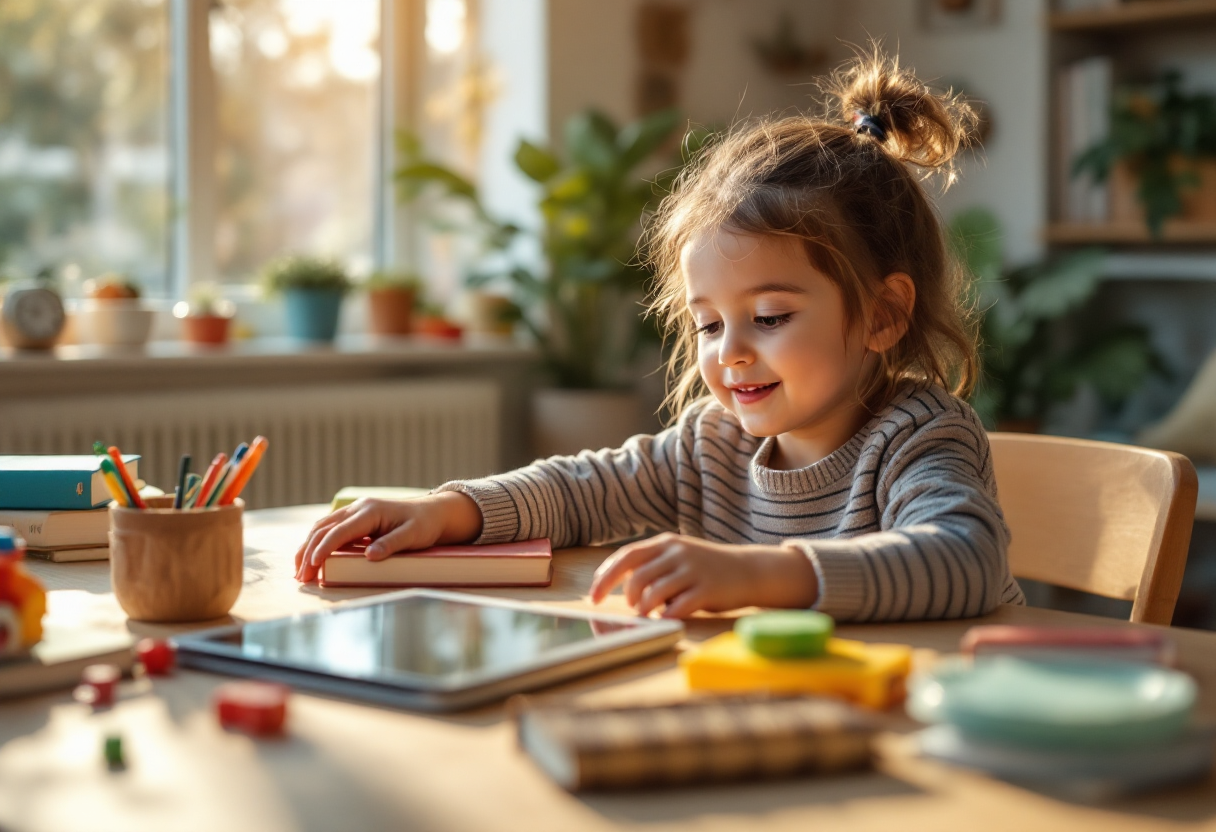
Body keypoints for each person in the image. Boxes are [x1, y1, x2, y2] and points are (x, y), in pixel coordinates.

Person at [295, 48, 1026, 622]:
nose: (730, 351)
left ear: (883, 315)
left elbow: (964, 559)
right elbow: (578, 490)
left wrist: (758, 573)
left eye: (769, 317)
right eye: (708, 323)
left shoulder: (920, 436)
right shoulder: (712, 446)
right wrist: (445, 510)